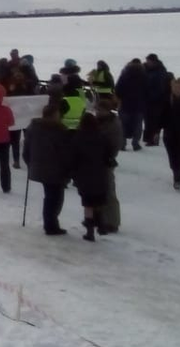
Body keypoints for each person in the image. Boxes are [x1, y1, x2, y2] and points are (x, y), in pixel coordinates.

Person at [24, 104, 71, 236]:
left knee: (50, 195)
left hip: (39, 166)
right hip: (56, 168)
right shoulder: (60, 130)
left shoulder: (33, 127)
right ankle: (51, 225)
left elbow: (27, 148)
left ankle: (50, 223)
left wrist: (29, 162)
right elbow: (65, 151)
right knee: (55, 197)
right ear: (54, 115)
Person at [70, 112, 114, 242]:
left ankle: (90, 232)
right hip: (100, 173)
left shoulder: (78, 137)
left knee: (88, 205)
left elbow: (73, 157)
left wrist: (72, 173)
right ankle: (101, 224)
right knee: (99, 201)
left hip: (84, 175)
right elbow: (109, 153)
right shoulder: (102, 137)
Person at [94, 100, 124, 234]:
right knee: (97, 191)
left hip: (106, 161)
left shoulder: (113, 124)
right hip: (96, 161)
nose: (97, 112)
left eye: (100, 110)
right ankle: (100, 218)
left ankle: (113, 222)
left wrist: (106, 155)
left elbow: (115, 144)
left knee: (109, 192)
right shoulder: (99, 121)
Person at [115, 58, 146, 151]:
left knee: (123, 125)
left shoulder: (124, 76)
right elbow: (148, 91)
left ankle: (122, 144)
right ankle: (135, 143)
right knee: (138, 125)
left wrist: (121, 97)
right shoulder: (144, 76)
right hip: (139, 105)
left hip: (125, 104)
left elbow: (118, 89)